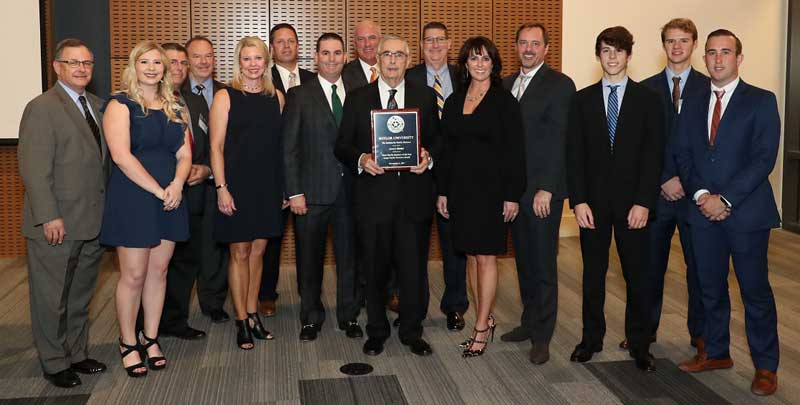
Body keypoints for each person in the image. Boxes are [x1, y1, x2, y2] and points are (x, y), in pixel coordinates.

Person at [676, 29, 781, 397]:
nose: (717, 59)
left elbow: (763, 158)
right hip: (702, 213)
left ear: (739, 58)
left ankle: (766, 367)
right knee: (709, 288)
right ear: (703, 59)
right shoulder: (691, 101)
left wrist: (727, 199)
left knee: (755, 293)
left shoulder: (762, 100)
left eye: (726, 52)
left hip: (747, 215)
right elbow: (683, 153)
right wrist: (703, 195)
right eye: (711, 53)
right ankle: (717, 352)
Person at [335, 34, 440, 357]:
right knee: (374, 270)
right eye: (387, 55)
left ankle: (411, 331)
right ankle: (376, 331)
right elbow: (342, 145)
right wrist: (362, 159)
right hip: (373, 201)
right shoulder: (357, 97)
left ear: (408, 61)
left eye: (399, 55)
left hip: (413, 199)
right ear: (377, 59)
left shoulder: (424, 96)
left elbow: (438, 141)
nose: (393, 61)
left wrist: (428, 157)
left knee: (412, 270)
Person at [566, 26, 664, 372]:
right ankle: (590, 339)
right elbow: (573, 155)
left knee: (637, 276)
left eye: (618, 51)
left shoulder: (648, 100)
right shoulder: (581, 100)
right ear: (598, 55)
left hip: (633, 207)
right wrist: (577, 201)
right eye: (606, 50)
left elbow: (654, 157)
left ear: (628, 56)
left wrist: (644, 202)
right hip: (591, 206)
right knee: (593, 275)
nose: (612, 57)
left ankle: (639, 343)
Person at [18, 38, 108, 388]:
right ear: (57, 67)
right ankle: (54, 362)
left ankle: (76, 352)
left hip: (93, 222)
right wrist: (48, 216)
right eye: (73, 63)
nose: (82, 69)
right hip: (56, 223)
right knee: (51, 297)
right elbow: (34, 169)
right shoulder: (42, 107)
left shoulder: (98, 106)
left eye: (87, 63)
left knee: (80, 295)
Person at [100, 40, 192, 376]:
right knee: (134, 274)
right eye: (145, 62)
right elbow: (121, 156)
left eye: (158, 63)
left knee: (159, 271)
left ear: (165, 69)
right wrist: (158, 190)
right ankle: (128, 342)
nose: (152, 68)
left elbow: (184, 155)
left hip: (170, 196)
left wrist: (178, 185)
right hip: (135, 196)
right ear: (133, 66)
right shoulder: (120, 104)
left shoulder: (175, 106)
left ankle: (150, 337)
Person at [436, 36, 525, 358]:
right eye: (474, 59)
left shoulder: (505, 102)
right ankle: (483, 316)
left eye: (486, 59)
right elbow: (446, 151)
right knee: (471, 258)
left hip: (492, 192)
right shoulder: (455, 99)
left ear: (494, 64)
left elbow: (516, 153)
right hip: (460, 192)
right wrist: (443, 190)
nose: (480, 64)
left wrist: (512, 196)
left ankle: (481, 329)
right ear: (465, 64)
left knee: (486, 257)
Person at [503, 23, 575, 364]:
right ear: (516, 46)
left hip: (542, 192)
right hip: (515, 193)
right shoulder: (505, 85)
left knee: (544, 264)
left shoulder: (560, 85)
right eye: (523, 43)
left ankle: (543, 336)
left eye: (535, 44)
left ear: (547, 48)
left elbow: (561, 141)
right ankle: (528, 323)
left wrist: (547, 187)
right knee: (524, 261)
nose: (528, 49)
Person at [284, 33, 362, 342]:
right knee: (309, 259)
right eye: (325, 53)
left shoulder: (358, 93)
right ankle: (311, 317)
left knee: (349, 259)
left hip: (351, 193)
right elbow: (288, 149)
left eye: (337, 53)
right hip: (311, 195)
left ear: (345, 57)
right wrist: (294, 193)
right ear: (315, 57)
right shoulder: (299, 95)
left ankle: (349, 316)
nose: (331, 58)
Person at [209, 36, 286, 350]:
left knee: (258, 252)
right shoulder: (225, 97)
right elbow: (215, 146)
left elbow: (281, 148)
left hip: (267, 186)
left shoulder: (277, 98)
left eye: (258, 59)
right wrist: (221, 188)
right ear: (238, 61)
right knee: (238, 252)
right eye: (247, 58)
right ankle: (240, 318)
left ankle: (254, 313)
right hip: (236, 185)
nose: (253, 64)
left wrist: (283, 188)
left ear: (265, 62)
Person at [637, 18, 708, 353]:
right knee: (649, 268)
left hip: (697, 196)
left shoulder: (710, 88)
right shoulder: (645, 89)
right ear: (662, 45)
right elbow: (641, 143)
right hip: (657, 193)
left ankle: (702, 333)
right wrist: (665, 177)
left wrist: (687, 181)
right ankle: (643, 331)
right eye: (670, 41)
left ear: (694, 44)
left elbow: (711, 146)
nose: (677, 47)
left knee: (700, 269)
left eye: (683, 40)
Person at [405, 21, 468, 332]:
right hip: (417, 174)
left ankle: (455, 306)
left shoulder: (465, 75)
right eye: (428, 40)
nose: (434, 45)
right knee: (414, 245)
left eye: (440, 40)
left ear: (449, 43)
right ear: (420, 45)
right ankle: (412, 307)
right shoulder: (408, 77)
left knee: (454, 246)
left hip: (456, 176)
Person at [259, 23, 317, 318]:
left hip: (311, 173)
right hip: (275, 174)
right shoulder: (262, 79)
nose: (285, 46)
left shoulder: (313, 79)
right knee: (272, 239)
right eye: (279, 42)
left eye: (291, 41)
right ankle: (267, 294)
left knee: (308, 241)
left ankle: (309, 296)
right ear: (271, 49)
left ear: (298, 45)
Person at [158, 42, 209, 340]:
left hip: (194, 194)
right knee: (154, 265)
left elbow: (208, 146)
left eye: (181, 63)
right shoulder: (146, 102)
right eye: (171, 62)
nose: (177, 68)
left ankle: (175, 322)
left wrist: (206, 170)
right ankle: (145, 325)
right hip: (161, 195)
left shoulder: (196, 101)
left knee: (186, 261)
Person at [184, 36, 230, 324]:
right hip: (184, 186)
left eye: (209, 56)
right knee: (184, 251)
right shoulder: (172, 94)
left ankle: (214, 303)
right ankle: (174, 311)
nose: (203, 62)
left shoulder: (229, 93)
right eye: (197, 56)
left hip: (219, 183)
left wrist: (212, 172)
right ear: (188, 60)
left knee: (217, 247)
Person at [342, 20, 381, 90]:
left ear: (381, 41)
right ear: (355, 45)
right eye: (361, 39)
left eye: (372, 38)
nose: (367, 44)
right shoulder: (343, 74)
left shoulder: (393, 70)